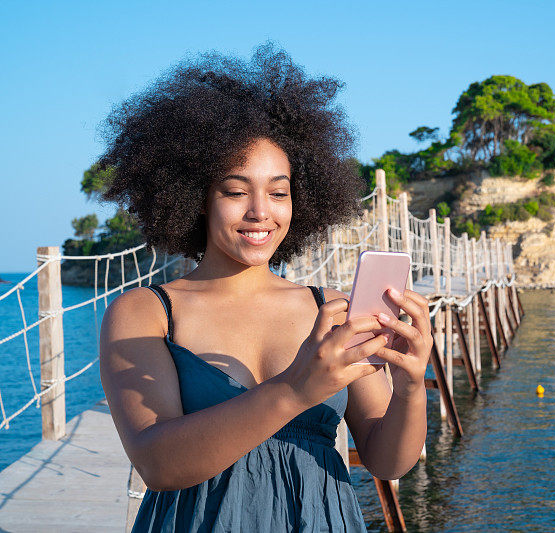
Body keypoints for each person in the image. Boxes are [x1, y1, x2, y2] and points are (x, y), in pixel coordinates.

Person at [97, 43, 432, 532]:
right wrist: (297, 388)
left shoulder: (329, 309)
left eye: (279, 192)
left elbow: (387, 461)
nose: (260, 211)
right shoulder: (145, 312)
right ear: (194, 198)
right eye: (235, 191)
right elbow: (158, 463)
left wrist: (410, 385)